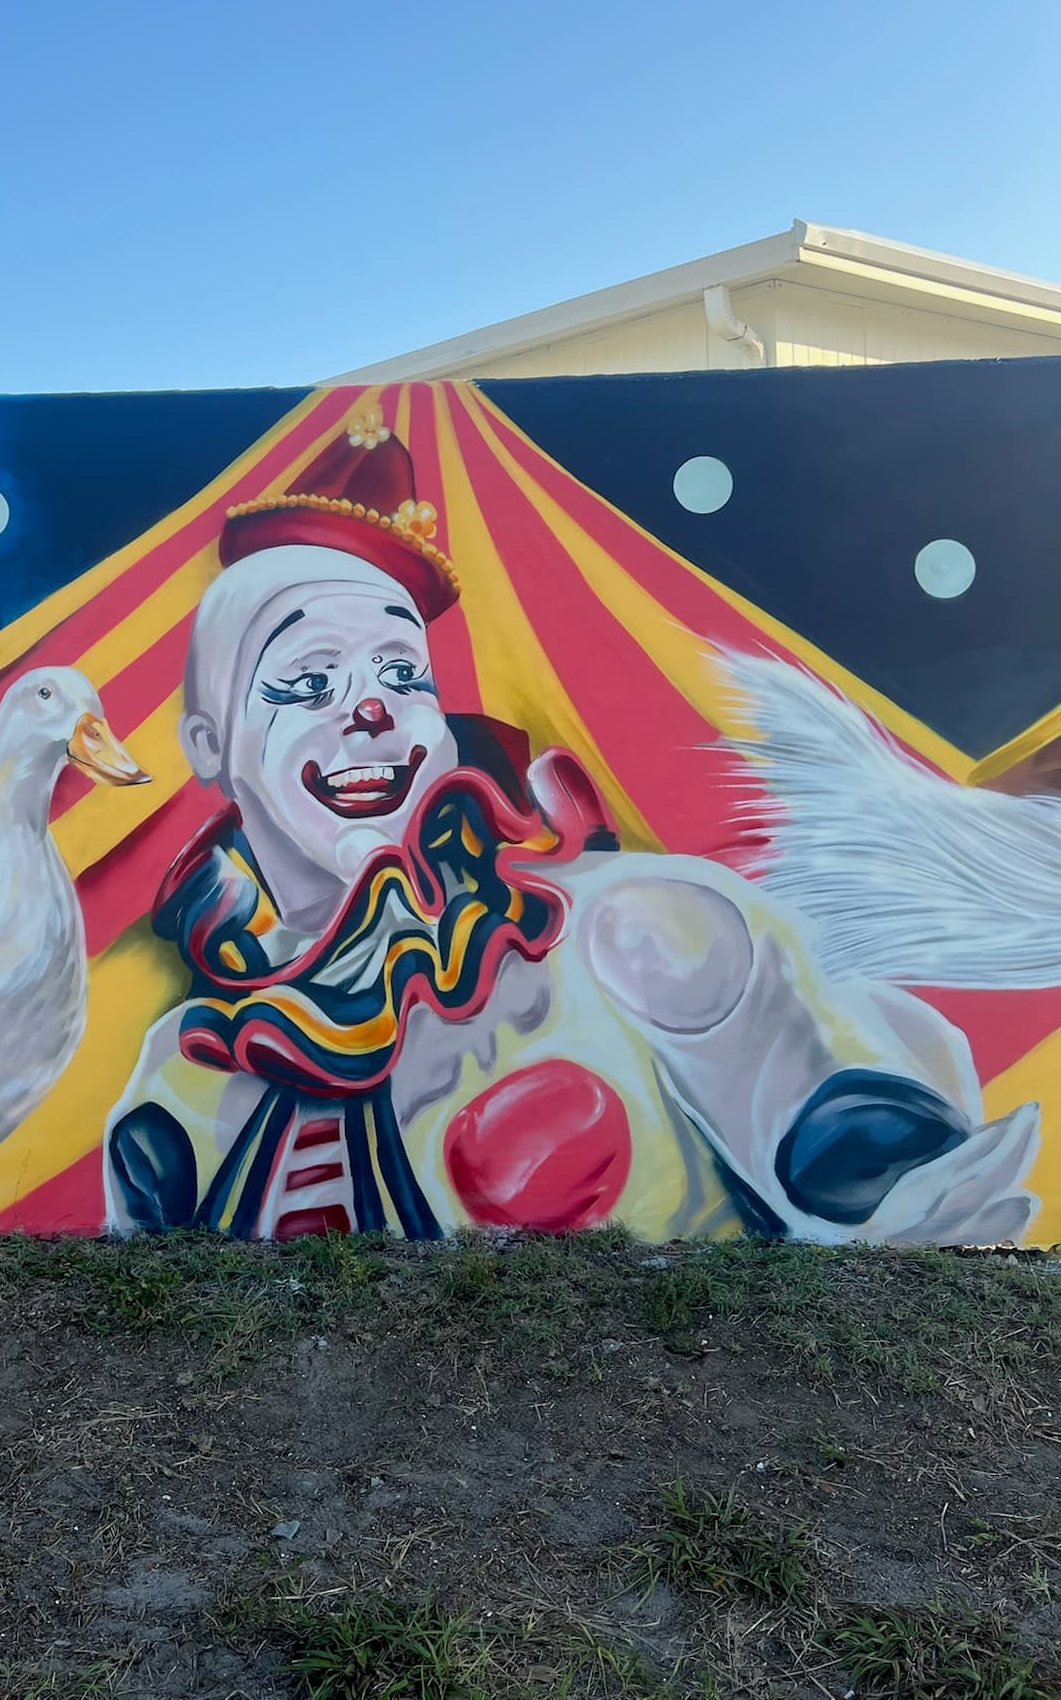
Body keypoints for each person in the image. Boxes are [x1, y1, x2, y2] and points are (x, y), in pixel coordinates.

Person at [104, 412, 1039, 1244]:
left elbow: (841, 1133)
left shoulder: (629, 933)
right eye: (310, 683)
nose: (374, 714)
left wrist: (899, 1183)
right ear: (211, 745)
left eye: (402, 675)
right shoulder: (181, 1080)